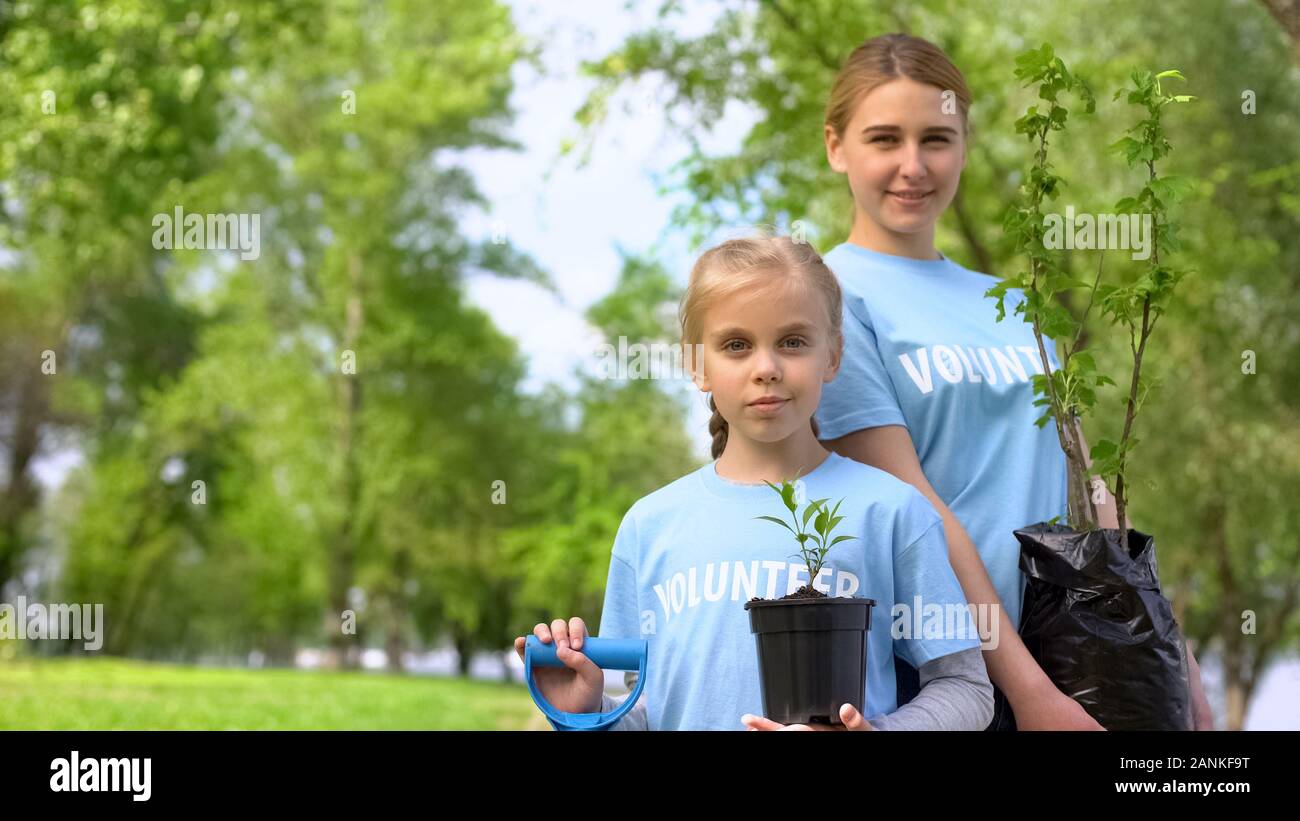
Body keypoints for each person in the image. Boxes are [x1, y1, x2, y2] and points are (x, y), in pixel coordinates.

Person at [813, 32, 1213, 729]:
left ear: (964, 144)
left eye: (936, 138)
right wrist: (1028, 697)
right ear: (836, 146)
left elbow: (1094, 500)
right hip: (935, 673)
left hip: (1067, 658)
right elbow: (915, 509)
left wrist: (1178, 665)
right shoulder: (827, 300)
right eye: (884, 139)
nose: (913, 165)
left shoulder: (1015, 305)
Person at [514, 234, 993, 730]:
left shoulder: (893, 510)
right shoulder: (649, 526)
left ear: (832, 355)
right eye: (736, 345)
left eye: (792, 342)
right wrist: (582, 716)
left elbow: (966, 689)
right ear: (697, 364)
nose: (766, 368)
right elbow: (649, 711)